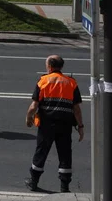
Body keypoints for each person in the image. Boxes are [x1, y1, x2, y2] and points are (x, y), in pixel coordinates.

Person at [24, 55, 84, 193]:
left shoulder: (43, 81)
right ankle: (65, 187)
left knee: (41, 152)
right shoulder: (71, 83)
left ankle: (33, 182)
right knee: (65, 154)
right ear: (61, 67)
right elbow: (76, 109)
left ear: (49, 66)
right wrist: (81, 127)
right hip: (65, 124)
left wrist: (29, 118)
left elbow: (34, 106)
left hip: (46, 125)